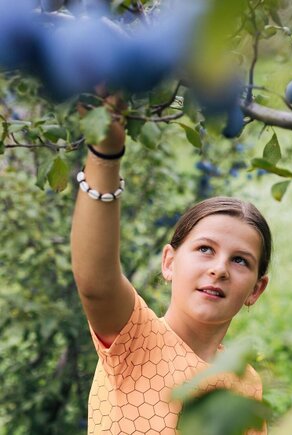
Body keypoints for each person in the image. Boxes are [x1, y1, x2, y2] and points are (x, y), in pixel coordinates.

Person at [70, 105, 270, 434]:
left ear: (256, 289)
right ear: (169, 262)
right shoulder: (135, 338)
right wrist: (105, 153)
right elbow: (97, 284)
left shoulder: (246, 382)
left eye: (240, 260)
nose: (219, 269)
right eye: (205, 249)